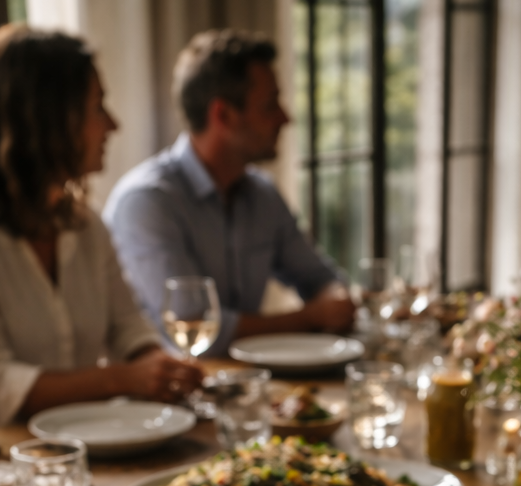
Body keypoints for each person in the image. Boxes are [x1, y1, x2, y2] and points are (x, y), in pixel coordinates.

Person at [0, 25, 202, 442]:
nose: (113, 125)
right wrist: (124, 380)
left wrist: (157, 365)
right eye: (98, 108)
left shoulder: (85, 225)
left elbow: (126, 326)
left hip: (70, 450)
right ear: (45, 119)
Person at [103, 29, 352, 355]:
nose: (285, 118)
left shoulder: (263, 194)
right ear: (223, 115)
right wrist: (310, 317)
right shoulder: (147, 202)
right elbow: (196, 328)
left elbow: (321, 278)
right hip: (173, 394)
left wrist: (336, 300)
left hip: (253, 385)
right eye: (269, 105)